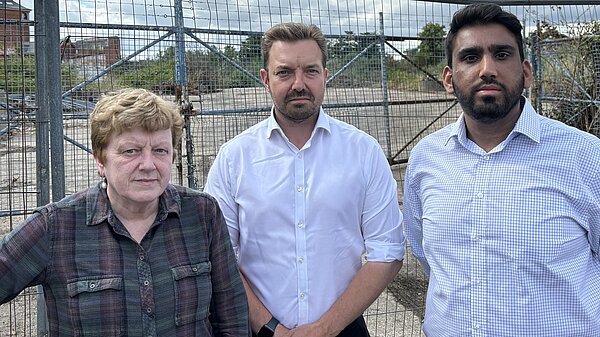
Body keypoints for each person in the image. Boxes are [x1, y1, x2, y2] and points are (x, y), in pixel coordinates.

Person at [403, 3, 600, 336]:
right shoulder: (425, 159)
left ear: (526, 71)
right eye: (470, 57)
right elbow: (424, 253)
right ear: (449, 79)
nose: (486, 69)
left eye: (502, 54)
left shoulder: (585, 157)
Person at [204, 23, 405, 337]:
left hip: (344, 329)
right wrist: (272, 328)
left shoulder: (363, 152)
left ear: (326, 76)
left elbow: (388, 252)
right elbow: (218, 256)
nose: (299, 84)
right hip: (257, 330)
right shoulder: (234, 159)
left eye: (310, 71)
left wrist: (326, 328)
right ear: (265, 78)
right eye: (284, 72)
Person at [0, 88, 250, 336]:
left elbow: (232, 318)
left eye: (160, 151)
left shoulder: (202, 214)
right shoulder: (56, 227)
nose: (149, 165)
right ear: (100, 159)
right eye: (131, 151)